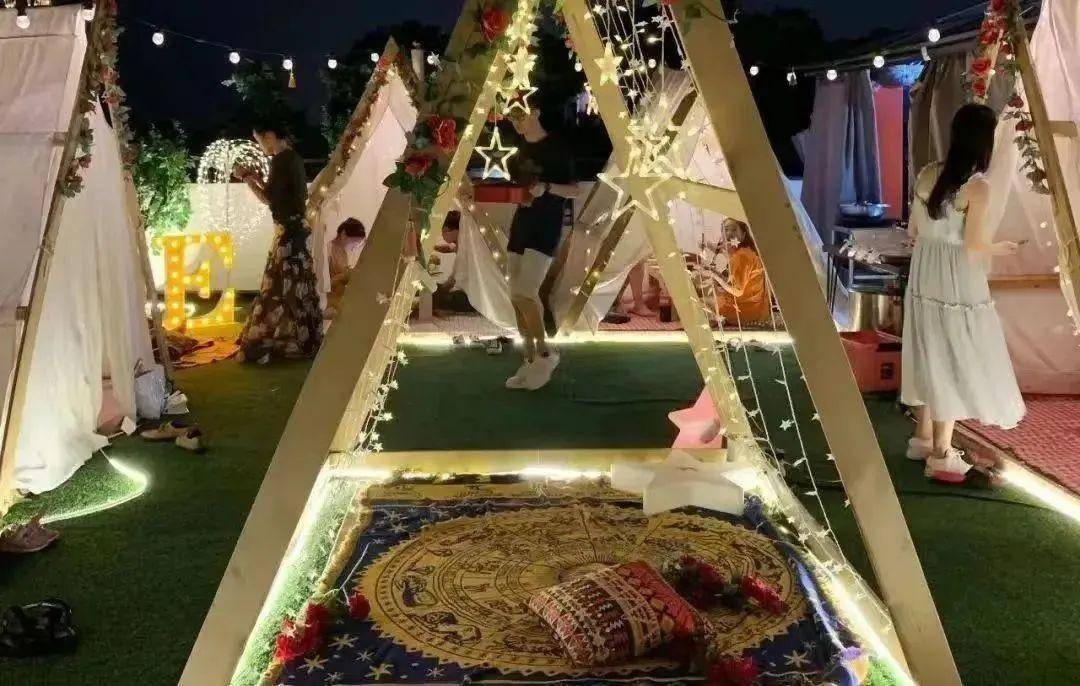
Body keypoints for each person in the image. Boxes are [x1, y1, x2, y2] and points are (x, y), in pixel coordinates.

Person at [902, 103, 1025, 483]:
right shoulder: (977, 187)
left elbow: (913, 232)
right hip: (956, 278)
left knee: (930, 347)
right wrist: (1001, 248)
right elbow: (973, 245)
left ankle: (923, 439)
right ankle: (942, 453)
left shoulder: (928, 173)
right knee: (953, 352)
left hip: (925, 274)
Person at [503, 107, 581, 390]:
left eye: (519, 115)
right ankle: (529, 359)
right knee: (517, 296)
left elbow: (575, 190)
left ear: (535, 112)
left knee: (525, 292)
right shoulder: (520, 150)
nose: (516, 123)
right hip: (522, 224)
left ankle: (545, 355)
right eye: (511, 118)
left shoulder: (557, 149)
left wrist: (547, 188)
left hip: (546, 228)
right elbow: (521, 186)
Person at [235, 122, 322, 362]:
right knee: (296, 286)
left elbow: (268, 199)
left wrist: (246, 177)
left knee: (279, 288)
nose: (260, 146)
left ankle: (276, 341)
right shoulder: (293, 159)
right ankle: (301, 339)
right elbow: (278, 194)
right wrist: (255, 177)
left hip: (288, 233)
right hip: (297, 230)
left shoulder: (282, 160)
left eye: (259, 140)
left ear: (271, 135)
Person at [710, 219, 770, 325]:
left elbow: (737, 291)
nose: (729, 234)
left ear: (743, 235)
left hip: (744, 310)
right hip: (755, 309)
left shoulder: (741, 256)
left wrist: (713, 274)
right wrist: (715, 273)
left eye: (734, 230)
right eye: (726, 230)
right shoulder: (745, 252)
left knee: (696, 303)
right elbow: (736, 282)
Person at [325, 217, 367, 319]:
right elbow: (322, 286)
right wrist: (341, 276)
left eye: (357, 245)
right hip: (328, 301)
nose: (354, 248)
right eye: (354, 243)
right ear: (343, 234)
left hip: (339, 297)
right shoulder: (327, 250)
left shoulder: (344, 253)